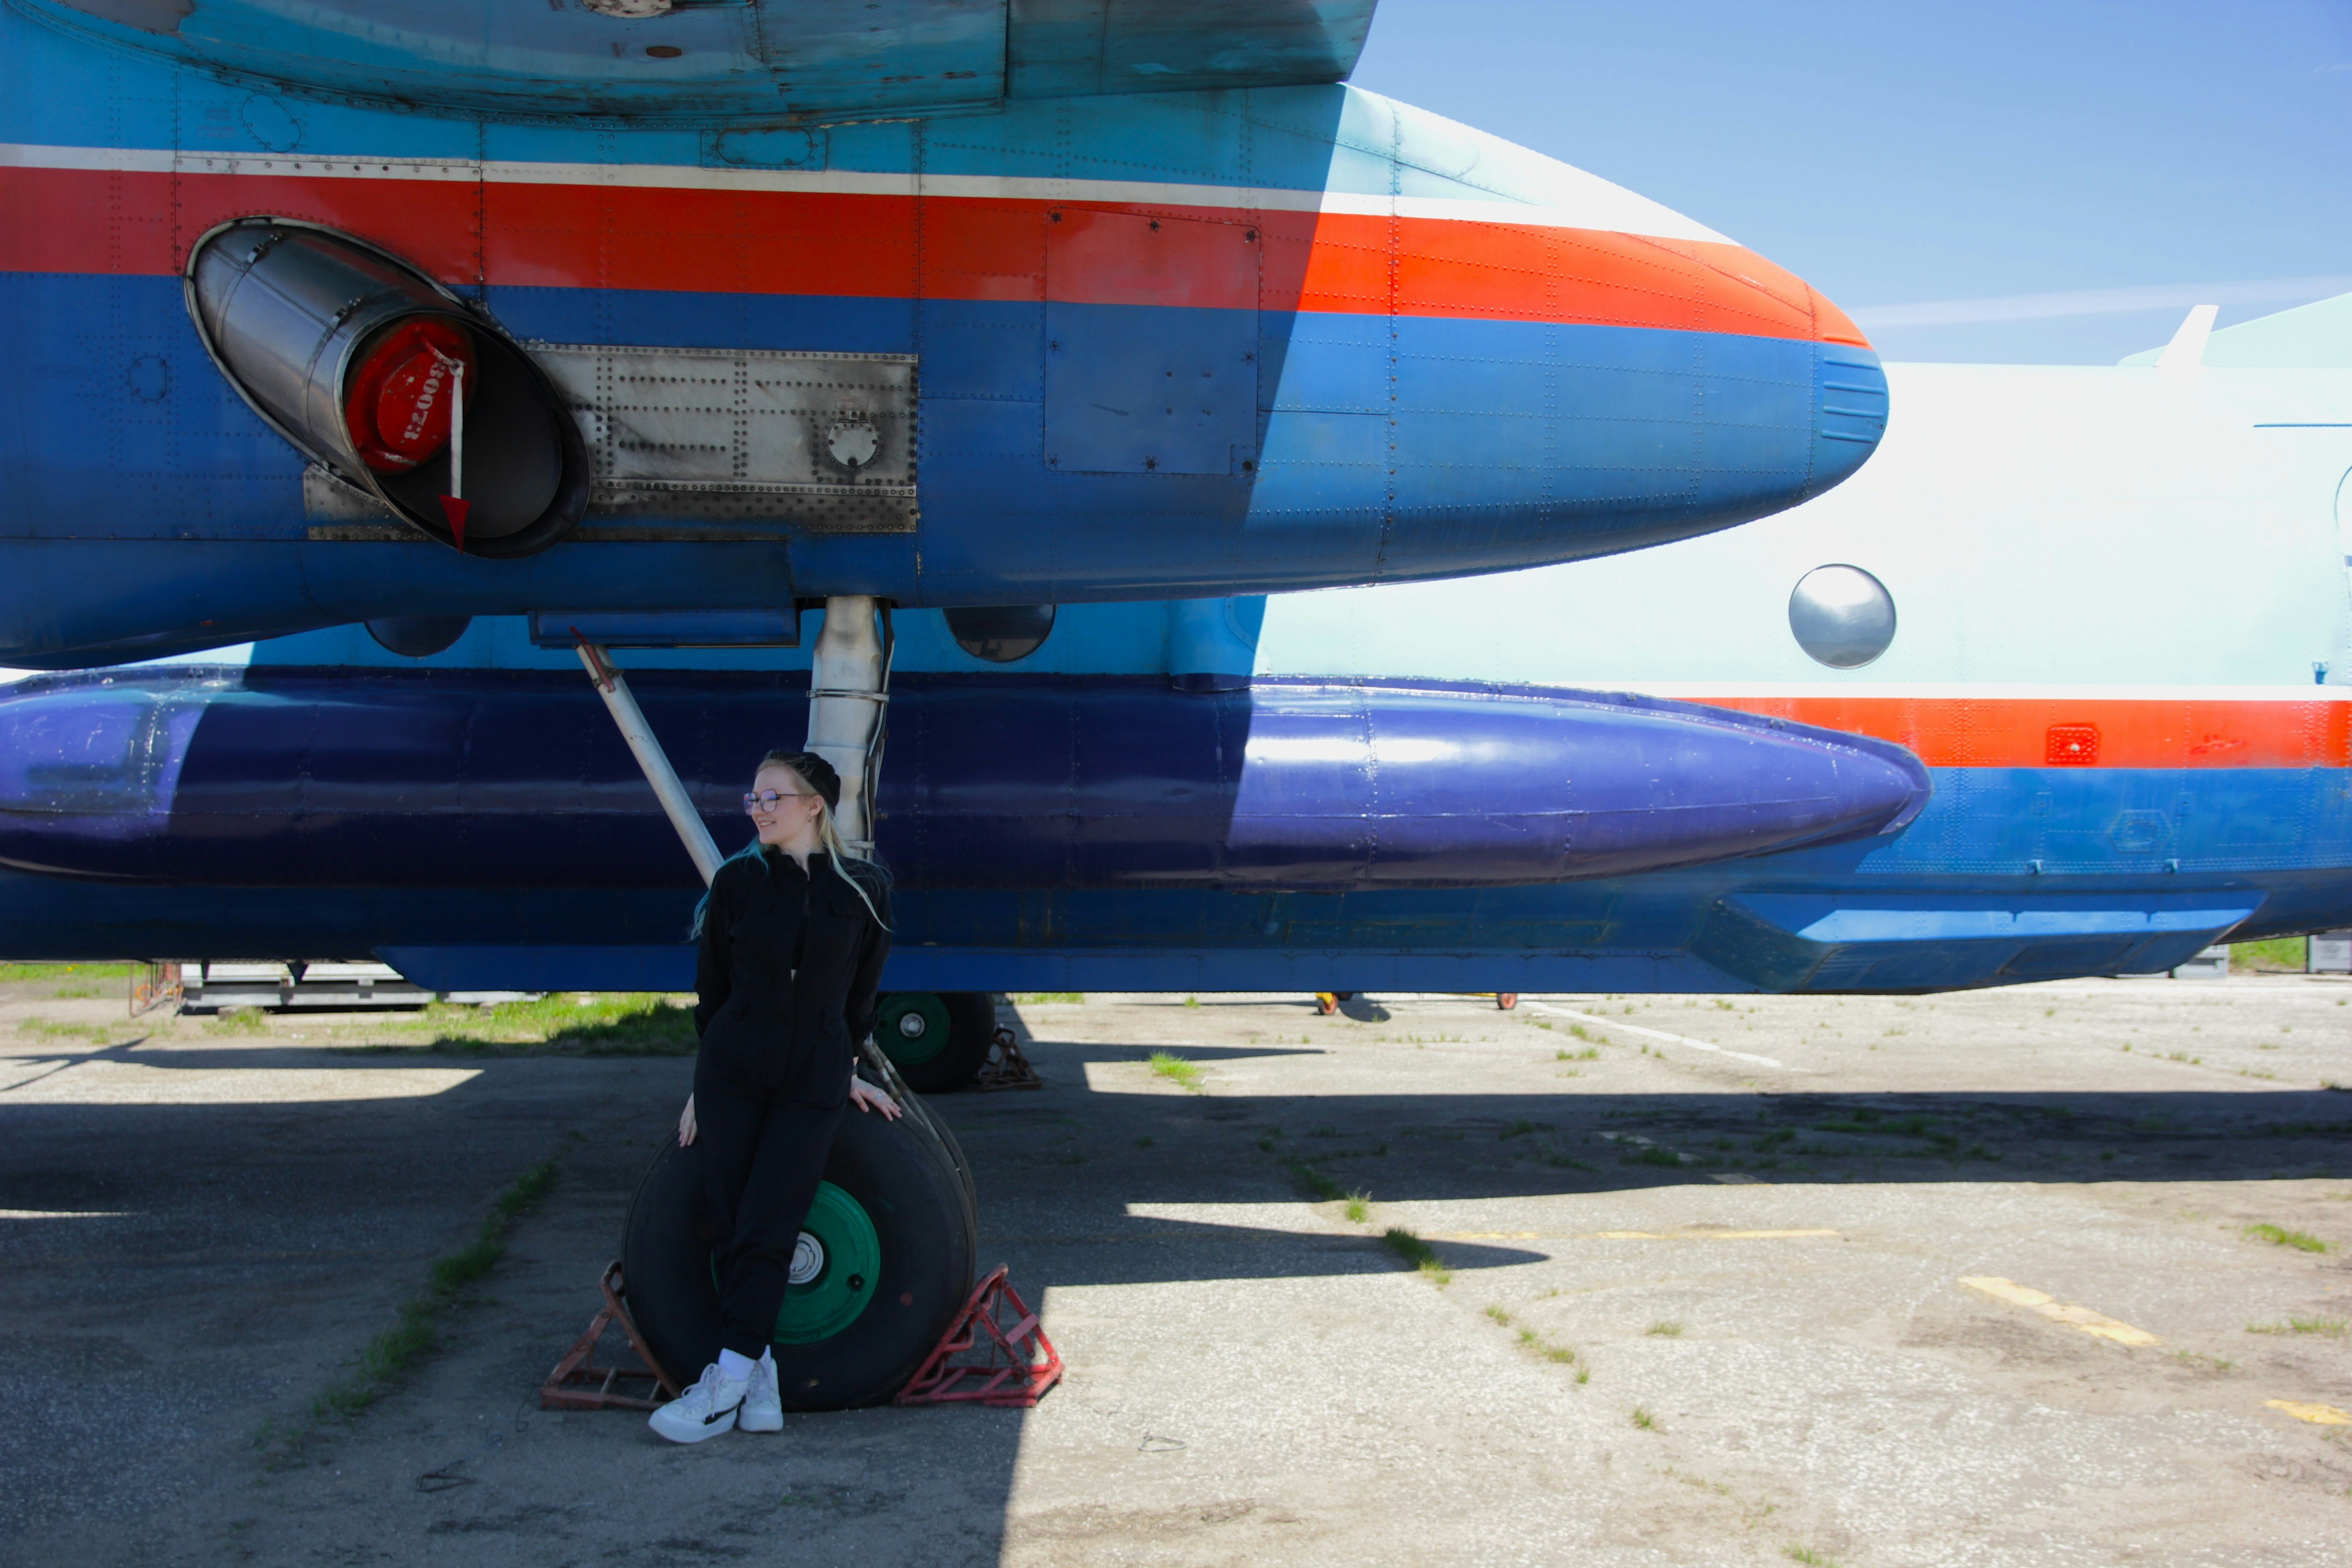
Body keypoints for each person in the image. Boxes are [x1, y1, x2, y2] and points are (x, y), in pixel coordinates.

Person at [648, 749, 900, 1445]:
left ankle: (723, 1384)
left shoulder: (865, 889)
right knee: (731, 1222)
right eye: (753, 799)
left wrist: (842, 1067)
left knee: (771, 1219)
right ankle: (757, 1380)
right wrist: (704, 1085)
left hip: (812, 1076)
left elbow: (860, 999)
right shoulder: (735, 882)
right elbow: (713, 994)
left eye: (773, 798)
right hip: (732, 1071)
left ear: (814, 804)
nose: (757, 810)